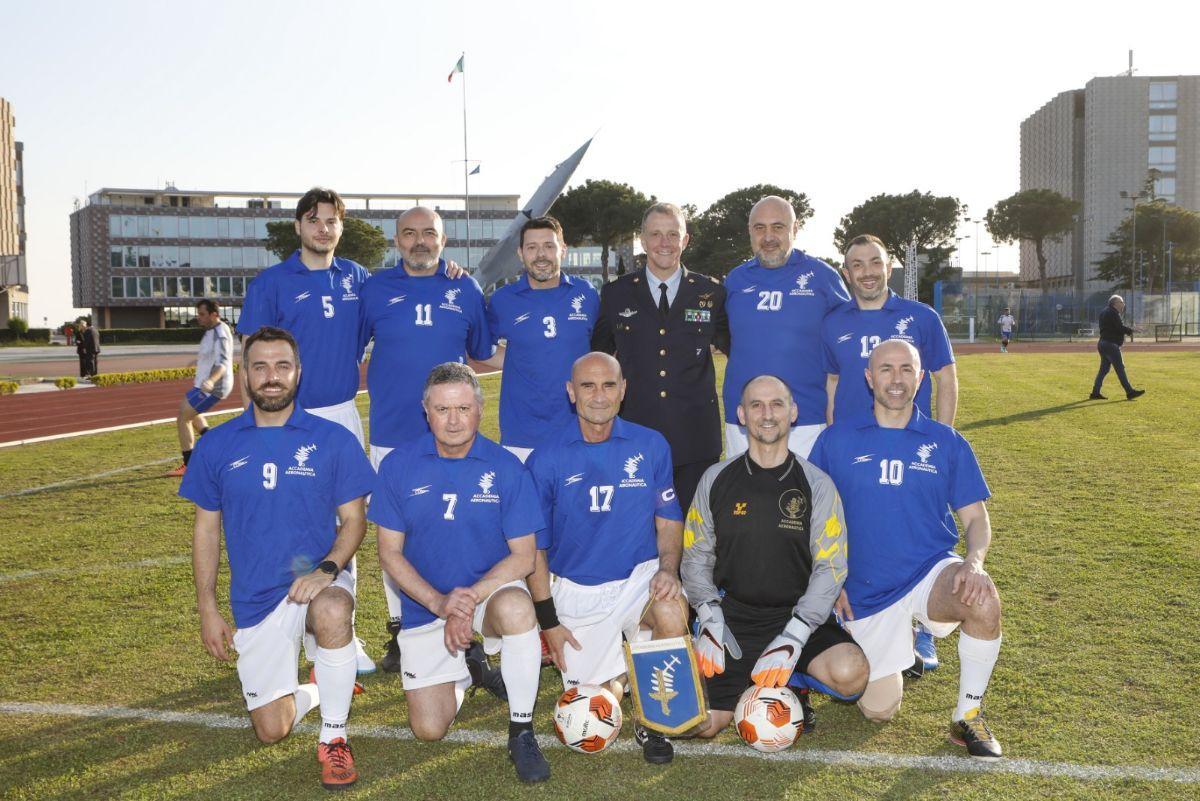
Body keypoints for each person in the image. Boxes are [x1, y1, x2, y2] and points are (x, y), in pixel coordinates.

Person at [179, 326, 376, 790]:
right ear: (245, 374)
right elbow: (206, 530)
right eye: (261, 366)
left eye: (282, 366)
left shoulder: (332, 440)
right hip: (256, 597)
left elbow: (354, 521)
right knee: (272, 730)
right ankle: (319, 685)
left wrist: (327, 569)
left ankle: (334, 738)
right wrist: (208, 610)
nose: (272, 376)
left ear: (298, 373)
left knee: (331, 608)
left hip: (316, 580)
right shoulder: (216, 445)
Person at [808, 339, 1004, 761]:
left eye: (905, 370)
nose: (896, 379)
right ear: (868, 377)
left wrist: (974, 562)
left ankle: (968, 714)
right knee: (879, 709)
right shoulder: (836, 440)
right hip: (862, 589)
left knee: (983, 598)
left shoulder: (946, 441)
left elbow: (975, 519)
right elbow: (810, 521)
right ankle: (903, 645)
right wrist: (828, 578)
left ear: (919, 378)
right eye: (885, 369)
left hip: (928, 574)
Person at [369, 363, 550, 783]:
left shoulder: (506, 467)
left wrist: (467, 599)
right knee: (429, 729)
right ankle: (471, 668)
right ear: (425, 411)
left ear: (480, 409)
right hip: (426, 604)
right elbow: (389, 554)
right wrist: (439, 602)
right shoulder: (398, 466)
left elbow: (524, 556)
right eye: (442, 409)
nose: (453, 420)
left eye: (463, 408)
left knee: (518, 609)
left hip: (485, 599)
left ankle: (521, 729)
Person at [681, 375, 868, 738]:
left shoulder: (816, 484)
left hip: (798, 617)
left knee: (851, 673)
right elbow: (695, 557)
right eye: (756, 405)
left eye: (777, 404)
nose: (767, 414)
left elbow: (831, 567)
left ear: (793, 412)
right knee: (699, 724)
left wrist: (796, 635)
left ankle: (793, 674)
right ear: (741, 414)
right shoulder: (716, 479)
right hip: (732, 620)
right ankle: (755, 677)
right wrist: (708, 616)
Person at [236, 187, 375, 673]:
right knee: (290, 522)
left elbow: (365, 336)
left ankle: (339, 637)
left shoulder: (357, 278)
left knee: (345, 524)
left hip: (339, 416)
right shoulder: (272, 282)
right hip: (284, 422)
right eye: (314, 220)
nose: (323, 228)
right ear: (298, 226)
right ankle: (287, 625)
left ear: (341, 227)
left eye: (332, 221)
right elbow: (253, 359)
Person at [526, 352, 688, 764]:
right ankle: (623, 677)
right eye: (587, 386)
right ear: (570, 392)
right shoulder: (545, 458)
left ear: (623, 390)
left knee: (669, 612)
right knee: (591, 700)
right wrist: (550, 622)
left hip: (639, 578)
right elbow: (536, 550)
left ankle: (655, 722)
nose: (599, 396)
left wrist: (668, 569)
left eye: (609, 385)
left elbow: (668, 518)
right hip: (578, 588)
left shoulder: (651, 444)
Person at [358, 206, 493, 672]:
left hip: (454, 435)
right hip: (393, 433)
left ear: (444, 239)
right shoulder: (374, 288)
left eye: (429, 233)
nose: (420, 241)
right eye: (410, 233)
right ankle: (400, 631)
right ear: (396, 240)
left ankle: (466, 625)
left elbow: (482, 351)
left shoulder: (464, 287)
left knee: (459, 528)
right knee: (396, 534)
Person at [592, 202, 729, 510]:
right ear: (643, 239)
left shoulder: (711, 293)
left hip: (695, 439)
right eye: (656, 234)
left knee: (695, 537)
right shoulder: (616, 294)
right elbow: (597, 359)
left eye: (672, 234)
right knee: (638, 532)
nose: (664, 243)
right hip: (636, 435)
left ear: (685, 240)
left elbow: (740, 351)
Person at [723, 196, 850, 459]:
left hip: (806, 422)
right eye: (760, 228)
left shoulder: (823, 277)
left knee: (805, 499)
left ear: (795, 229)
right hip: (743, 421)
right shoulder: (735, 281)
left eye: (778, 227)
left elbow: (847, 341)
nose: (768, 236)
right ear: (750, 232)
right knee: (744, 499)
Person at [485, 216, 599, 462]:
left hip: (579, 431)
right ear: (520, 253)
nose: (541, 255)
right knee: (525, 501)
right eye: (532, 247)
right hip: (522, 436)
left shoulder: (586, 295)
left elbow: (602, 351)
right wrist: (520, 360)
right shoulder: (503, 300)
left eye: (549, 246)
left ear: (563, 250)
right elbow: (483, 350)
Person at [822, 235, 957, 427]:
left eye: (876, 263)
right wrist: (833, 437)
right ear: (847, 274)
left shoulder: (923, 317)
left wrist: (943, 438)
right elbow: (832, 383)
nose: (868, 272)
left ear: (889, 268)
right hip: (851, 443)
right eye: (858, 265)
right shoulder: (833, 322)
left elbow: (946, 379)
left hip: (910, 439)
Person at [166, 299, 234, 478]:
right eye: (198, 314)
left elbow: (223, 364)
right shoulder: (211, 331)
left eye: (202, 314)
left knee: (183, 416)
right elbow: (211, 356)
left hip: (213, 386)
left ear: (214, 314)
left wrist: (211, 381)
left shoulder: (220, 333)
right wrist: (199, 362)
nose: (199, 317)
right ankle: (216, 444)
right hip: (203, 384)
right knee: (191, 413)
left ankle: (189, 465)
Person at [1090, 295, 1145, 401]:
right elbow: (1119, 328)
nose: (1123, 304)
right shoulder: (1113, 313)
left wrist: (1129, 329)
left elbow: (1114, 327)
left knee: (1103, 370)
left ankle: (1095, 393)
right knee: (1120, 369)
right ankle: (1130, 392)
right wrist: (1132, 330)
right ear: (1115, 303)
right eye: (1121, 302)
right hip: (1111, 345)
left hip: (1102, 343)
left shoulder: (1105, 312)